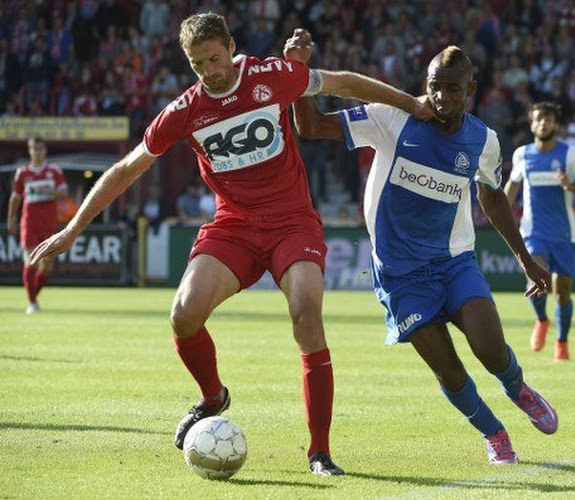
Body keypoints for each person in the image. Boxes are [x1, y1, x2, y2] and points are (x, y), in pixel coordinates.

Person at [29, 15, 433, 476]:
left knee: (306, 313)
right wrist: (73, 229)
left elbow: (340, 82)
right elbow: (125, 169)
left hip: (291, 223)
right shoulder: (184, 110)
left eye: (216, 59)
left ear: (231, 48)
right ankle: (212, 396)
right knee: (183, 316)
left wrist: (411, 104)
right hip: (233, 226)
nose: (210, 71)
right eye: (198, 64)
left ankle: (319, 452)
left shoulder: (269, 76)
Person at [288, 36, 557, 464]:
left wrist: (526, 261)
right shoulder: (392, 116)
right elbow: (312, 127)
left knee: (489, 348)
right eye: (435, 85)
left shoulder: (483, 141)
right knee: (448, 368)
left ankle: (516, 386)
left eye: (453, 89)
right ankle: (494, 432)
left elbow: (492, 197)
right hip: (400, 274)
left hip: (454, 261)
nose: (441, 96)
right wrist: (300, 76)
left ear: (471, 91)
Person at [504, 102, 575, 361]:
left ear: (556, 124)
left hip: (564, 234)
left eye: (548, 119)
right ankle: (542, 320)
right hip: (533, 232)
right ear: (531, 124)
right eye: (538, 119)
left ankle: (562, 341)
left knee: (562, 292)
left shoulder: (571, 155)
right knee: (536, 280)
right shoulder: (522, 154)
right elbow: (512, 187)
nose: (543, 123)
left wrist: (571, 186)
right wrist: (497, 212)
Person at [7, 137, 68, 314]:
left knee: (47, 266)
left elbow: (64, 193)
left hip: (49, 224)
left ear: (45, 151)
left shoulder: (54, 170)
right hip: (29, 223)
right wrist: (11, 219)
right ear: (30, 150)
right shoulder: (22, 173)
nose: (38, 152)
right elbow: (16, 197)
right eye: (35, 149)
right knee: (30, 261)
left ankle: (33, 298)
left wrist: (47, 191)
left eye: (41, 148)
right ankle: (32, 303)